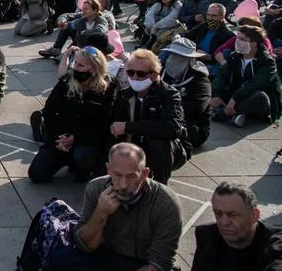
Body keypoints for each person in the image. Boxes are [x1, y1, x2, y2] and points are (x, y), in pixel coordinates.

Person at [49, 143, 185, 271]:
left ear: (144, 174)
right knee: (59, 259)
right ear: (108, 170)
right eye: (117, 175)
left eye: (131, 176)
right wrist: (100, 214)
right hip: (108, 257)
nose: (123, 185)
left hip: (145, 266)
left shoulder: (166, 203)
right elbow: (84, 245)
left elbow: (159, 263)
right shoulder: (95, 188)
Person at [29, 46, 115, 183]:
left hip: (87, 141)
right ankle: (61, 154)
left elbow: (103, 126)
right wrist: (59, 137)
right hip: (61, 136)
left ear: (94, 69)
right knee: (36, 174)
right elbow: (50, 110)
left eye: (81, 65)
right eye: (75, 63)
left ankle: (83, 167)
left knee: (83, 157)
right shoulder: (67, 80)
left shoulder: (109, 89)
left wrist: (75, 138)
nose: (75, 68)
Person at [110, 49, 191, 184]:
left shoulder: (169, 94)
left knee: (158, 142)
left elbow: (173, 129)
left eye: (141, 74)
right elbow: (115, 124)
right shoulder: (125, 94)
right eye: (131, 72)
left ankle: (160, 184)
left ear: (154, 75)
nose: (135, 77)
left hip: (166, 150)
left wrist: (130, 127)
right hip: (134, 145)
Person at [191, 182, 282, 271]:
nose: (224, 222)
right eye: (218, 213)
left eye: (233, 215)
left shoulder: (277, 245)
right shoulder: (207, 237)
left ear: (254, 215)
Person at [211, 25, 282, 127]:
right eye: (237, 38)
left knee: (260, 96)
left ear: (253, 44)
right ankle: (236, 113)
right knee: (213, 89)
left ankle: (223, 113)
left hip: (262, 104)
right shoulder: (235, 56)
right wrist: (215, 95)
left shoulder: (267, 61)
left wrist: (234, 98)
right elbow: (222, 76)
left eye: (242, 39)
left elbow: (256, 85)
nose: (237, 41)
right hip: (240, 96)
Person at [159, 37, 212, 149]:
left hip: (192, 124)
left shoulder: (200, 80)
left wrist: (166, 109)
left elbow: (197, 107)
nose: (174, 59)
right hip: (164, 116)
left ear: (190, 60)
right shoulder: (164, 73)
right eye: (172, 55)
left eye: (180, 57)